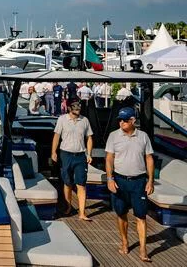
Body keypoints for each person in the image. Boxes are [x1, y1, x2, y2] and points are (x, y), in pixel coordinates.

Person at [105, 107, 154, 262]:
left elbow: (149, 159)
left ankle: (143, 249)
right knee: (121, 213)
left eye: (124, 120)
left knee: (141, 216)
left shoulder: (143, 136)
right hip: (119, 181)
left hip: (139, 182)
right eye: (119, 120)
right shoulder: (113, 136)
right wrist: (110, 179)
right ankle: (125, 242)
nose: (121, 123)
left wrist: (151, 180)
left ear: (133, 120)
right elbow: (109, 159)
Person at [51, 97, 94, 221]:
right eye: (75, 106)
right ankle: (68, 207)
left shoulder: (85, 120)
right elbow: (56, 136)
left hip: (80, 156)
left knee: (81, 184)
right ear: (69, 108)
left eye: (79, 106)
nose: (78, 108)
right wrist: (53, 152)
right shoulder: (62, 119)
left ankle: (82, 213)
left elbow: (90, 138)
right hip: (66, 155)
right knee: (67, 182)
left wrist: (89, 154)